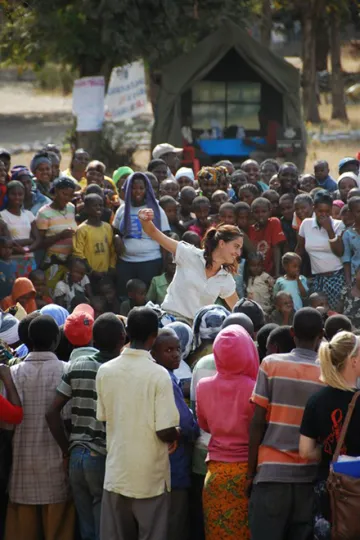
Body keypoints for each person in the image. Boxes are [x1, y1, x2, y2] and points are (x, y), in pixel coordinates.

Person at [96, 307, 180, 540]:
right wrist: (177, 434)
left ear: (126, 334)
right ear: (154, 337)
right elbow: (165, 430)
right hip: (149, 478)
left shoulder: (105, 371)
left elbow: (103, 418)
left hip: (117, 473)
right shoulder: (158, 374)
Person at [46, 313, 126, 540]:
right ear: (122, 339)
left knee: (86, 528)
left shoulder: (77, 365)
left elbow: (52, 412)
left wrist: (66, 448)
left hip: (76, 456)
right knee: (104, 528)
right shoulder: (118, 371)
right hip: (102, 455)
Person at [248, 308, 325, 540]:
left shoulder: (271, 364)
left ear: (292, 333)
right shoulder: (327, 373)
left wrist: (250, 473)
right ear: (321, 335)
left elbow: (257, 423)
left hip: (270, 474)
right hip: (308, 477)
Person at [4, 315, 75, 540]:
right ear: (56, 340)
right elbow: (68, 419)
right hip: (57, 469)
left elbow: (7, 424)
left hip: (21, 469)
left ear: (29, 341)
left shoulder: (12, 374)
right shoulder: (67, 370)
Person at [197, 325, 259, 539]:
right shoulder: (255, 388)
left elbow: (204, 425)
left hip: (215, 475)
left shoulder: (203, 387)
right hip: (248, 474)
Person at [299, 331, 360, 540]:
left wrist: (328, 452)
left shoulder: (316, 400)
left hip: (329, 488)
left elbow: (305, 451)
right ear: (353, 361)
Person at [139, 212, 241, 324]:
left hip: (197, 331)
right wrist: (145, 219)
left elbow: (238, 311)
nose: (238, 252)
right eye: (236, 247)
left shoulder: (226, 279)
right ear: (222, 243)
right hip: (170, 322)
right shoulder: (188, 254)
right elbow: (153, 232)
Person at [152, 329, 199, 540]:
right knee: (175, 522)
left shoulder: (164, 376)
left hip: (162, 467)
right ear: (154, 353)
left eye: (178, 349)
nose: (175, 354)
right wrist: (195, 429)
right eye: (168, 350)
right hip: (175, 466)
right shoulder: (166, 380)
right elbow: (186, 424)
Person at [113, 172, 170, 297]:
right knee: (125, 297)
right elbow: (116, 231)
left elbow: (165, 238)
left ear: (146, 189)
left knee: (147, 298)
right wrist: (117, 238)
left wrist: (163, 266)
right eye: (133, 188)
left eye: (141, 188)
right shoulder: (122, 209)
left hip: (150, 261)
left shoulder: (156, 209)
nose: (137, 191)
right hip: (126, 262)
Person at [296, 191, 345, 310]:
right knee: (318, 314)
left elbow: (340, 252)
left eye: (327, 212)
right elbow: (299, 249)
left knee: (335, 313)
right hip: (318, 279)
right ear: (314, 209)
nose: (323, 215)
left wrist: (329, 230)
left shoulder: (339, 225)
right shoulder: (306, 224)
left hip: (337, 278)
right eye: (320, 211)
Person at [36, 176, 77, 291]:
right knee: (51, 293)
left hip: (69, 263)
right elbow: (40, 243)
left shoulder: (71, 208)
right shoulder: (44, 213)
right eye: (64, 194)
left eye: (70, 195)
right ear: (56, 191)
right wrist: (60, 236)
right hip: (53, 263)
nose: (67, 198)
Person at [72, 193, 116, 286]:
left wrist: (111, 267)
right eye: (95, 205)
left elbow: (112, 249)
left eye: (100, 205)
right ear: (87, 209)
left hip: (105, 272)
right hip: (89, 274)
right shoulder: (82, 229)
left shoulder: (107, 227)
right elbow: (78, 253)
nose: (98, 208)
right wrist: (91, 270)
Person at [0, 180, 41, 277]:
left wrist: (27, 249)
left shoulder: (28, 214)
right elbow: (7, 242)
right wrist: (29, 240)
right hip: (10, 260)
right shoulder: (2, 216)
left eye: (20, 194)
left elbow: (38, 239)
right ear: (7, 195)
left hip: (29, 259)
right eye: (13, 194)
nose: (17, 197)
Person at [248, 197, 286, 276]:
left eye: (264, 211)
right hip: (257, 272)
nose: (260, 215)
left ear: (270, 212)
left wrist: (277, 273)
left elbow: (276, 248)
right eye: (256, 212)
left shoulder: (274, 222)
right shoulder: (251, 229)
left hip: (272, 271)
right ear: (252, 213)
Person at [245, 252, 274, 317]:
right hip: (252, 310)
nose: (256, 268)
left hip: (265, 310)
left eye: (259, 265)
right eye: (253, 265)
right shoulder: (249, 279)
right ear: (249, 266)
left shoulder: (266, 277)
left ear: (263, 266)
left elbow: (273, 291)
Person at [342, 196, 360, 285]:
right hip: (356, 278)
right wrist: (349, 282)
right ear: (350, 213)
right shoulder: (348, 234)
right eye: (358, 211)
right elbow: (346, 260)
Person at [0, 236, 16, 300]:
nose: (7, 251)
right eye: (4, 248)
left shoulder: (14, 264)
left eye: (10, 248)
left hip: (10, 299)